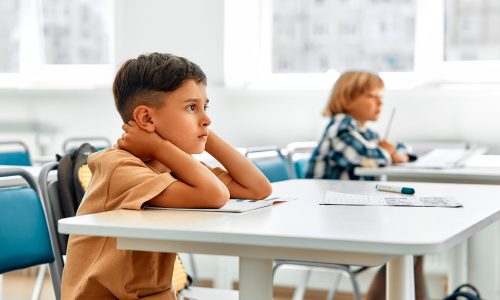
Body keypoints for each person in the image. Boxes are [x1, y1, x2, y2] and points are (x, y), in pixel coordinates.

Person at [61, 53, 272, 299]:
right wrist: (162, 145)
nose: (207, 119)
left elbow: (258, 188)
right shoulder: (119, 166)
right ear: (147, 118)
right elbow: (215, 194)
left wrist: (203, 133)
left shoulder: (172, 164)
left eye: (205, 107)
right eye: (191, 107)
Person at [305, 71, 424, 300]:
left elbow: (397, 148)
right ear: (348, 98)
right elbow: (363, 154)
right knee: (409, 244)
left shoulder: (364, 131)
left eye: (381, 97)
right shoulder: (340, 127)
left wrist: (394, 152)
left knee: (414, 245)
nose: (380, 103)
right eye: (372, 96)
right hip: (331, 224)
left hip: (352, 217)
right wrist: (389, 153)